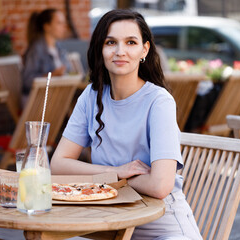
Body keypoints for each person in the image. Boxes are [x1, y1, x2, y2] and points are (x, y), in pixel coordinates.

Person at [51, 9, 202, 240]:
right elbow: (59, 165)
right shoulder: (91, 97)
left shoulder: (159, 102)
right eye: (111, 42)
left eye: (130, 42)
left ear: (144, 50)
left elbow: (161, 186)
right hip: (107, 224)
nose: (120, 51)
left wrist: (101, 177)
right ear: (100, 49)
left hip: (160, 226)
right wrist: (116, 171)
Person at [22, 8, 70, 97]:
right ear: (47, 27)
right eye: (59, 23)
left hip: (56, 98)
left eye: (64, 22)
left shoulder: (59, 47)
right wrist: (52, 75)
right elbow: (27, 81)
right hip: (38, 100)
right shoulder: (36, 49)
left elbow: (68, 71)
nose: (64, 27)